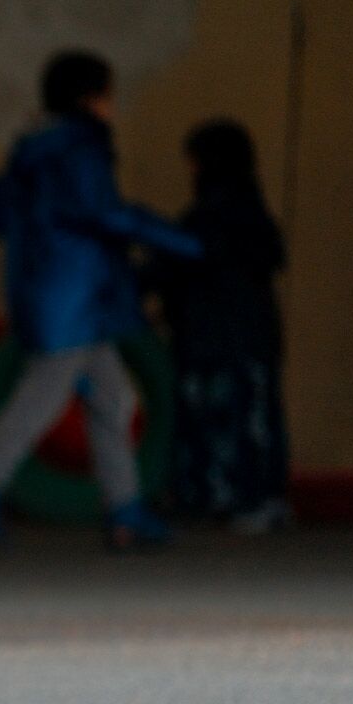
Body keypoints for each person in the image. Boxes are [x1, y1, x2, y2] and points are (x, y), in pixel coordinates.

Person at [0, 50, 204, 549]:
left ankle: (126, 511)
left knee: (113, 398)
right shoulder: (79, 151)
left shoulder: (32, 153)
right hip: (77, 304)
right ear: (93, 99)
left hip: (60, 302)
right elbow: (107, 214)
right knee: (40, 400)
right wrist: (188, 244)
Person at [145, 119, 289, 531]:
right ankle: (235, 497)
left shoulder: (213, 216)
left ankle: (244, 497)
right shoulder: (245, 212)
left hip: (225, 337)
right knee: (237, 418)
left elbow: (170, 266)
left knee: (231, 419)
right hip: (235, 336)